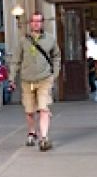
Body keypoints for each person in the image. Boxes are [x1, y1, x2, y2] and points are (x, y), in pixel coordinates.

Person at [9, 11, 61, 151]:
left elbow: (56, 57)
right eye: (33, 21)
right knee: (29, 111)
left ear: (42, 23)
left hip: (44, 79)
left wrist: (54, 75)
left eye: (39, 21)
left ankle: (44, 138)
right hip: (27, 80)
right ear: (30, 23)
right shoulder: (23, 41)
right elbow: (15, 61)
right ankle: (32, 132)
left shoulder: (50, 39)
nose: (36, 23)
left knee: (43, 108)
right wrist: (11, 78)